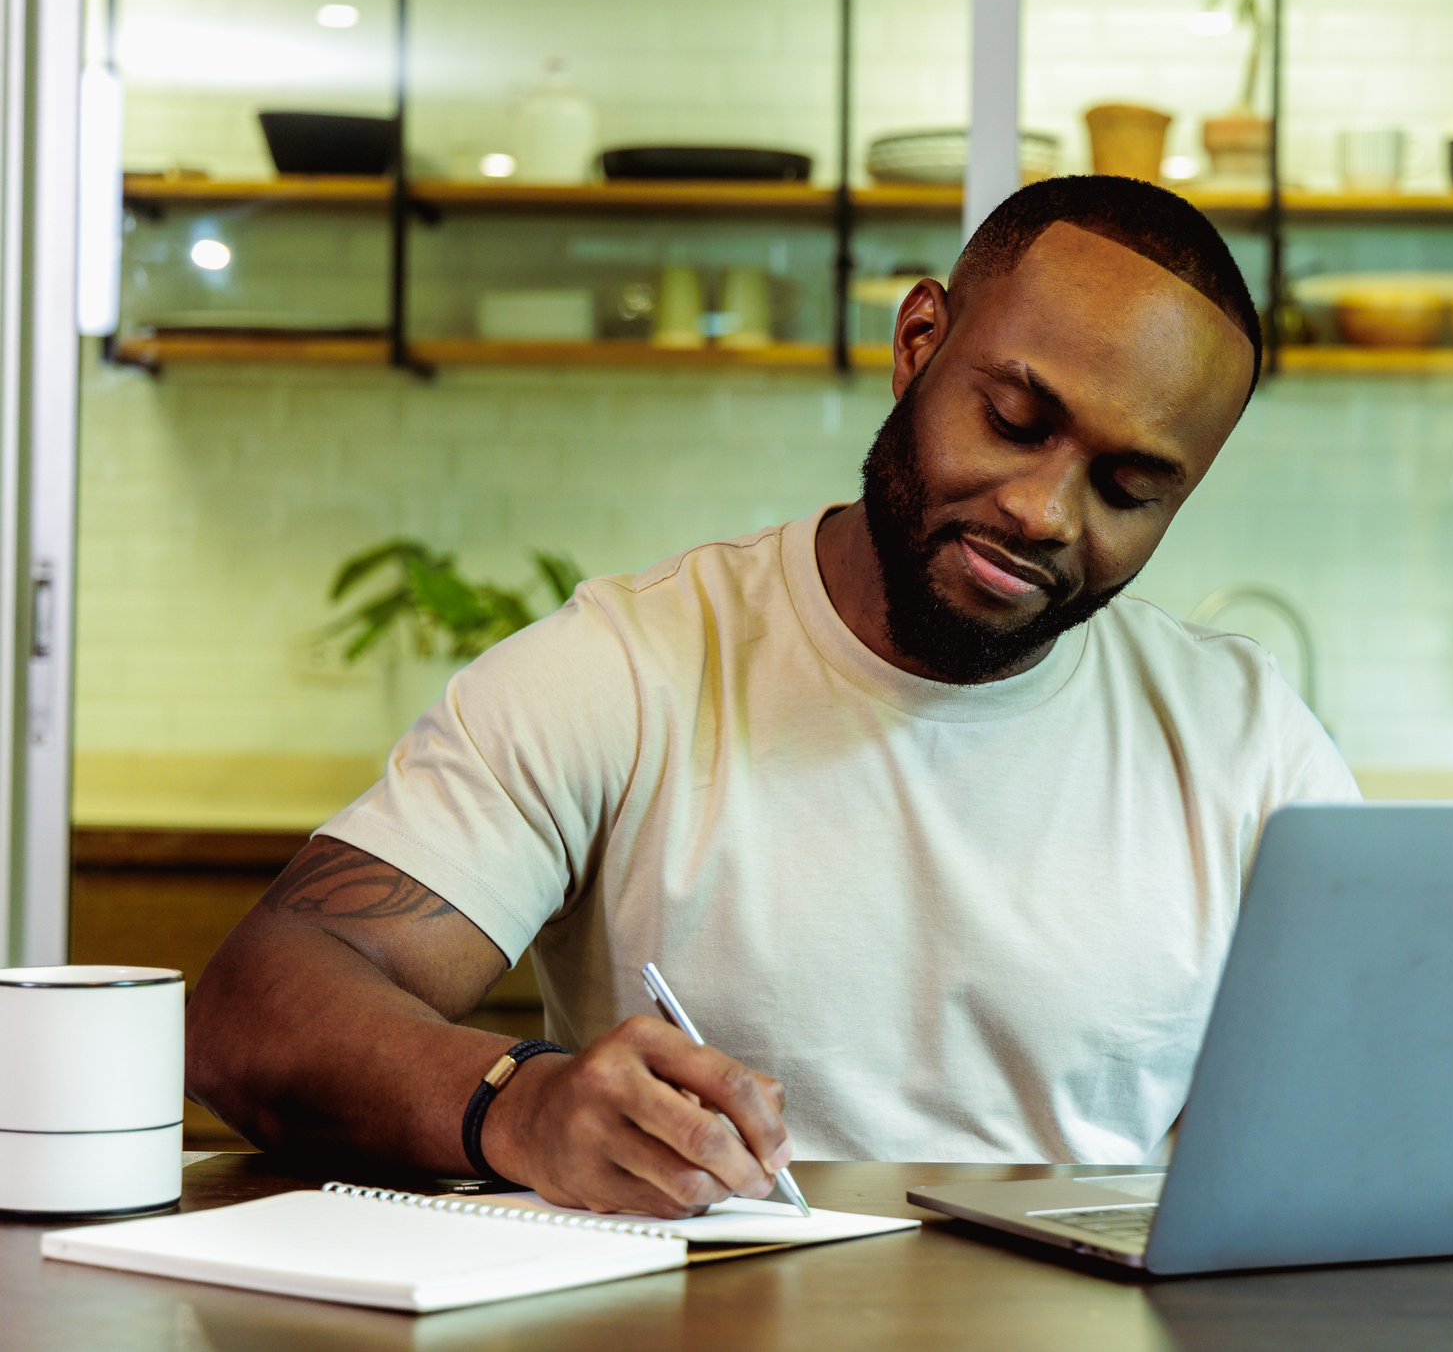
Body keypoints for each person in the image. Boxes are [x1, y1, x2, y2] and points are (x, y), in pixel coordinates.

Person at [186, 175, 1357, 1219]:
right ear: (918, 343)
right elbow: (257, 1002)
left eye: (1129, 486)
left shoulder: (1246, 741)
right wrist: (522, 1105)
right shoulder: (632, 670)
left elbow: (1373, 1107)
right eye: (1015, 419)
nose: (1045, 511)